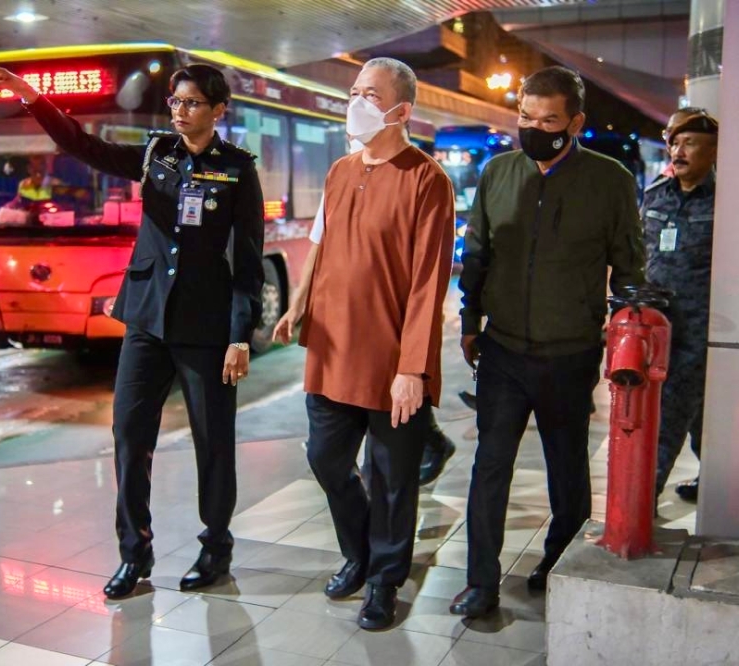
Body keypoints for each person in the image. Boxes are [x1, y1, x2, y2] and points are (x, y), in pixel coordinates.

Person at [0, 58, 265, 599]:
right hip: (146, 320)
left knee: (214, 442)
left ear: (218, 110)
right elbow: (83, 145)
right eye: (175, 103)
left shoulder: (237, 170)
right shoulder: (157, 155)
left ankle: (215, 549)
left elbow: (248, 263)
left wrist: (238, 335)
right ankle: (134, 554)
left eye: (192, 104)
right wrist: (32, 96)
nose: (180, 112)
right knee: (130, 437)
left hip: (205, 328)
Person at [453, 66, 645, 618]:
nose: (534, 128)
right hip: (504, 351)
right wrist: (470, 321)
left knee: (567, 467)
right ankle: (481, 582)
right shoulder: (498, 173)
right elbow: (478, 254)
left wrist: (625, 332)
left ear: (576, 122)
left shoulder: (609, 182)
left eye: (548, 120)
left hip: (570, 352)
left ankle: (559, 563)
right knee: (490, 464)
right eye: (525, 117)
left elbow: (629, 266)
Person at [298, 57, 454, 630]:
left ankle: (384, 578)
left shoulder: (427, 180)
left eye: (370, 94)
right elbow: (324, 249)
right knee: (325, 458)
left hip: (392, 363)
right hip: (332, 350)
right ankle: (359, 551)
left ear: (401, 109)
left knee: (391, 478)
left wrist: (413, 367)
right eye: (354, 91)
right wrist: (301, 307)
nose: (356, 101)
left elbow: (427, 283)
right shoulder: (340, 171)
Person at [273, 197, 457, 487]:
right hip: (344, 328)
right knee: (330, 450)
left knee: (389, 418)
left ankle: (417, 453)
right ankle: (423, 447)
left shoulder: (415, 180)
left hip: (388, 322)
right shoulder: (341, 177)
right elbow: (318, 244)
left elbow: (428, 273)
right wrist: (297, 306)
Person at [645, 110, 719, 504]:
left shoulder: (727, 203)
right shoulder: (655, 195)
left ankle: (643, 496)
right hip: (655, 325)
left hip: (699, 328)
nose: (678, 150)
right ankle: (714, 480)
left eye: (690, 143)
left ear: (714, 151)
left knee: (672, 413)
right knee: (702, 416)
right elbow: (640, 255)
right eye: (675, 143)